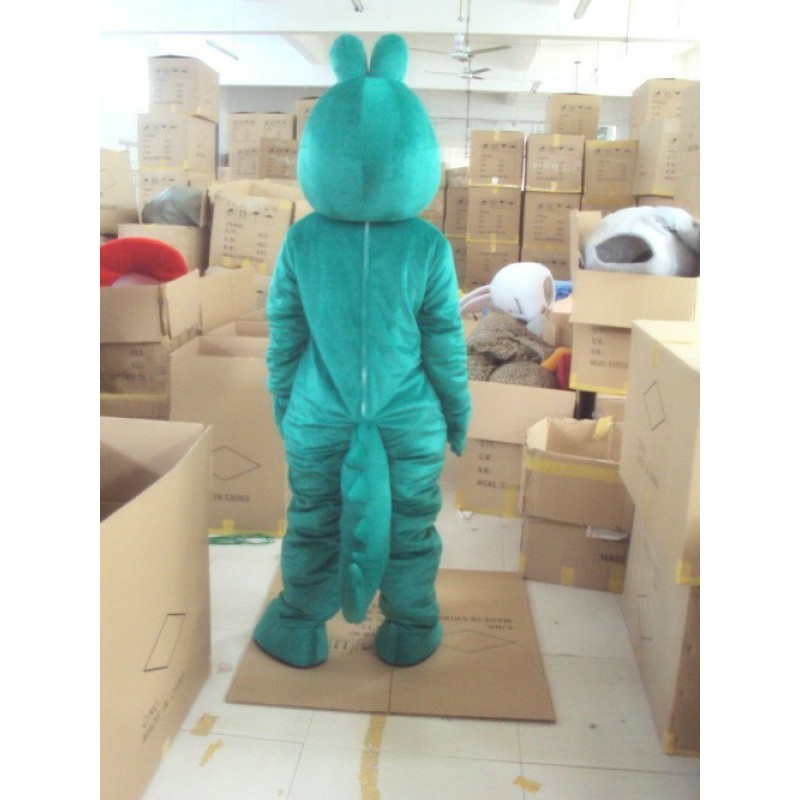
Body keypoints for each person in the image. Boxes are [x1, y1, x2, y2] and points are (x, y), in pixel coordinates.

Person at [252, 32, 471, 669]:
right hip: (410, 419)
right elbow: (444, 340)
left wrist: (284, 400)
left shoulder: (304, 240)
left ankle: (300, 624)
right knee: (409, 525)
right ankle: (411, 626)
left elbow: (286, 333)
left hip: (319, 413)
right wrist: (457, 411)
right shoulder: (427, 246)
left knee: (315, 520)